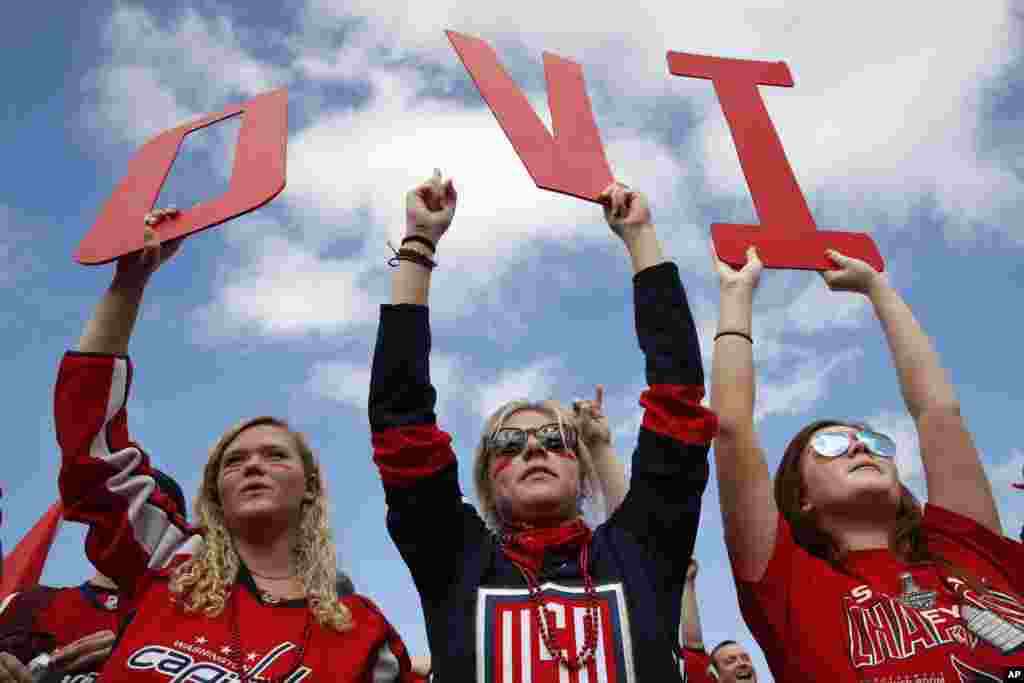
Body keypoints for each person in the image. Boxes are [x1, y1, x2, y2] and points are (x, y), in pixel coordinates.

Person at [368, 170, 716, 681]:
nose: (535, 449)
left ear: (582, 469)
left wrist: (641, 236)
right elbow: (402, 425)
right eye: (511, 443)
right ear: (488, 477)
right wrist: (419, 243)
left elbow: (678, 400)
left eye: (555, 440)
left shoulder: (640, 549)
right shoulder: (458, 561)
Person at [50, 211, 414, 683]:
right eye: (234, 461)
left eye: (275, 455)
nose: (253, 466)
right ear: (215, 492)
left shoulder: (362, 630)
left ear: (309, 488)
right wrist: (130, 282)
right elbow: (88, 439)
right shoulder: (166, 560)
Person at [710, 245, 1024, 681]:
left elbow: (938, 414)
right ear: (801, 498)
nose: (860, 448)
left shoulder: (965, 548)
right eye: (834, 445)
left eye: (873, 441)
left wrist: (878, 289)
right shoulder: (788, 585)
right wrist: (736, 294)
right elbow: (732, 428)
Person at [0, 471, 186, 683]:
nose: (125, 525)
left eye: (145, 515)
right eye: (112, 508)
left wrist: (140, 658)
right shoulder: (24, 603)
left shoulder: (190, 627)